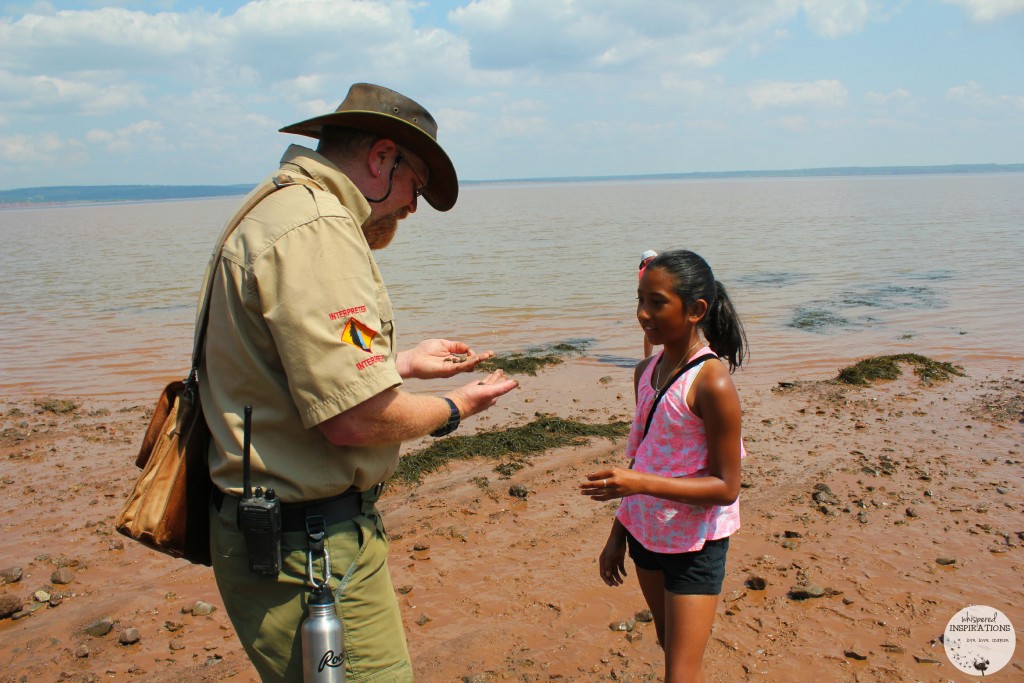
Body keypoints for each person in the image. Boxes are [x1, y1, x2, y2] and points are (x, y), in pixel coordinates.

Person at [200, 83, 519, 682]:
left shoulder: (277, 208)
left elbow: (280, 374)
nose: (411, 207)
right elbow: (357, 421)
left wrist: (399, 365)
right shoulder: (318, 227)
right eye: (415, 186)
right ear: (380, 159)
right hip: (307, 545)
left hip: (286, 532)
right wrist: (455, 407)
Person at [581, 249, 747, 683]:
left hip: (695, 545)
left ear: (696, 310)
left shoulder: (712, 381)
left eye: (657, 302)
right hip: (646, 536)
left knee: (681, 672)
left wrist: (637, 482)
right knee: (668, 645)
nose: (643, 314)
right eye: (639, 300)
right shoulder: (645, 371)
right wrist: (618, 534)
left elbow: (727, 486)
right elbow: (645, 455)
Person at [639, 250, 658, 357]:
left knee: (649, 330)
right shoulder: (661, 269)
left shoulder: (643, 272)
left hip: (647, 305)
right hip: (657, 303)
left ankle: (647, 357)